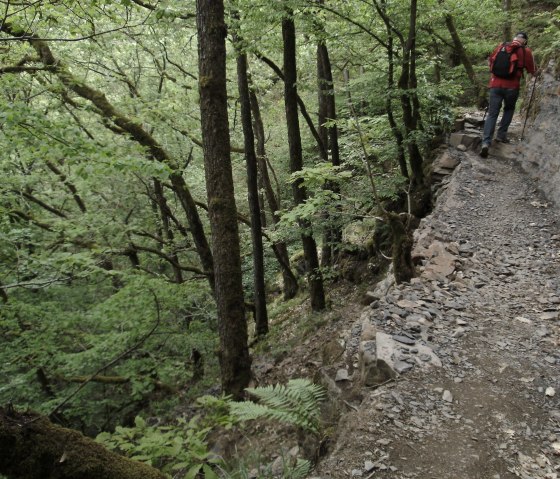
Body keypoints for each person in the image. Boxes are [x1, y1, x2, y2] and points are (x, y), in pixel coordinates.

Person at [480, 31, 536, 158]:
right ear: (525, 41)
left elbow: (491, 62)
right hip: (512, 87)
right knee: (509, 109)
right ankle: (501, 135)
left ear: (514, 38)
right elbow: (532, 70)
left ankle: (486, 142)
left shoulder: (501, 46)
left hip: (495, 85)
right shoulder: (525, 51)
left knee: (492, 114)